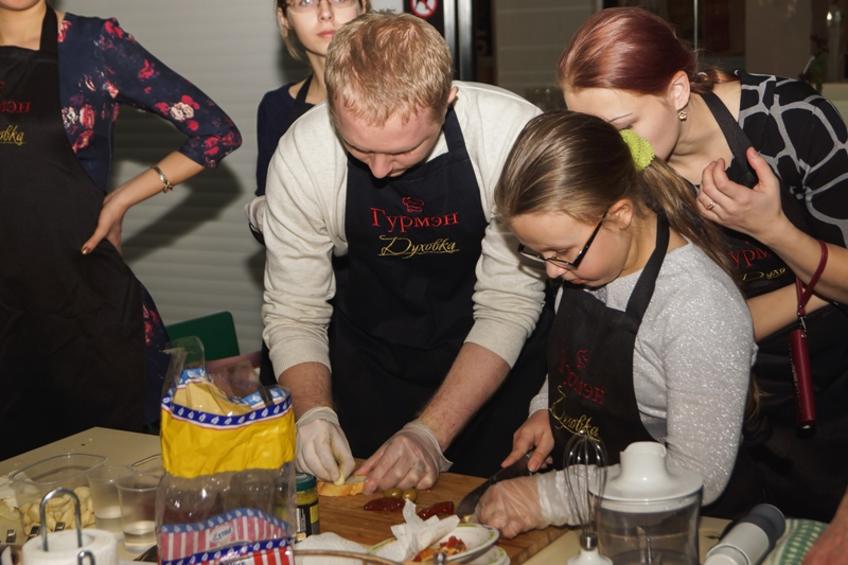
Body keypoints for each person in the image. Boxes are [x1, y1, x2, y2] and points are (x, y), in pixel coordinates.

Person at [558, 7, 848, 522]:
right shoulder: (634, 172)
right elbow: (702, 326)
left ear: (676, 91)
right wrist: (812, 288)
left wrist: (771, 229)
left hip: (830, 393)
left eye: (623, 127)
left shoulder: (791, 121)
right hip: (718, 401)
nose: (612, 153)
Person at [248, 12, 551, 491]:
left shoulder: (510, 136)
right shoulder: (304, 154)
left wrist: (430, 433)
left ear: (447, 101)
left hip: (491, 362)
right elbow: (295, 311)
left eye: (403, 151)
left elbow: (508, 304)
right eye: (359, 149)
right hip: (370, 360)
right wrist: (313, 413)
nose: (379, 171)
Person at [477, 111, 754, 538]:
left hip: (674, 532)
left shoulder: (698, 306)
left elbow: (697, 476)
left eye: (561, 252)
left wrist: (548, 498)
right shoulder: (589, 265)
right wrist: (546, 409)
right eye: (538, 253)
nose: (552, 271)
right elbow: (578, 361)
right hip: (598, 514)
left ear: (621, 215)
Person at [0, 1, 241, 458]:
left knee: (109, 477)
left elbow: (216, 132)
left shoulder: (94, 44)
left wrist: (123, 197)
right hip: (8, 319)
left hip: (83, 314)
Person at [249, 0, 368, 383]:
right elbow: (271, 215)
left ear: (363, 7)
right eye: (305, 1)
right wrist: (262, 215)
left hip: (383, 309)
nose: (325, 13)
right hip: (303, 303)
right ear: (284, 18)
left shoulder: (395, 99)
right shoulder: (275, 108)